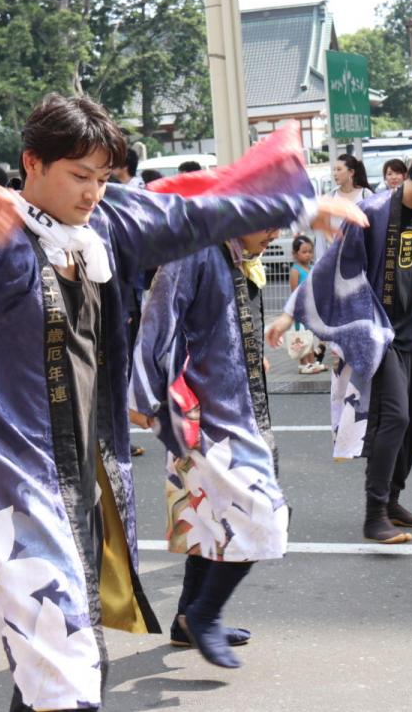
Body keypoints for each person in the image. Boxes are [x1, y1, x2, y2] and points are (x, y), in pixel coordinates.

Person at [0, 98, 366, 711]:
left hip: (88, 461)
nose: (92, 192)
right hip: (15, 477)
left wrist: (299, 205)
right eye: (78, 175)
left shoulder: (102, 227)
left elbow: (191, 214)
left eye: (102, 178)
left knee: (65, 654)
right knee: (63, 655)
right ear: (32, 163)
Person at [267, 143, 412, 546]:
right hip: (379, 334)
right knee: (394, 417)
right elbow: (332, 269)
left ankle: (393, 500)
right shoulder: (375, 214)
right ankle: (374, 513)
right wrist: (289, 313)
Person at [130, 224, 286, 669]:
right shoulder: (193, 252)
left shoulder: (232, 252)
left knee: (207, 519)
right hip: (204, 415)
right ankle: (204, 613)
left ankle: (187, 620)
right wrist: (146, 404)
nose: (275, 233)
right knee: (265, 515)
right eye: (270, 223)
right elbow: (156, 324)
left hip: (236, 408)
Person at [316, 153, 374, 258]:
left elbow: (374, 227)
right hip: (336, 257)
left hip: (362, 256)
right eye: (334, 170)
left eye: (339, 169)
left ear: (351, 172)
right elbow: (321, 233)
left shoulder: (366, 195)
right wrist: (321, 262)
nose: (335, 173)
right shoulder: (330, 197)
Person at [288, 234, 325, 373]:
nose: (308, 255)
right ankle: (303, 364)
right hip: (301, 309)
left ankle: (311, 362)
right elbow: (294, 292)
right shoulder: (295, 270)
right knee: (301, 336)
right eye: (304, 252)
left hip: (311, 308)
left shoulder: (310, 268)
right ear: (295, 253)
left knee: (309, 336)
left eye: (310, 252)